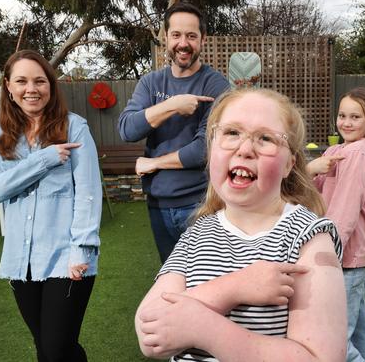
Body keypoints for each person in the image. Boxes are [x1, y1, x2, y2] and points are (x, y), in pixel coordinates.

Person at [134, 88, 347, 361]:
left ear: (288, 165)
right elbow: (149, 333)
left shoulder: (308, 237)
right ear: (211, 152)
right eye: (232, 133)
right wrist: (235, 287)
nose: (245, 149)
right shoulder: (195, 235)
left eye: (266, 138)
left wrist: (205, 328)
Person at [0, 50, 101, 362]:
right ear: (9, 86)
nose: (31, 89)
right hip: (21, 261)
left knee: (55, 347)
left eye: (39, 80)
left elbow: (88, 193)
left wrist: (82, 249)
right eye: (21, 81)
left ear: (51, 85)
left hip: (67, 257)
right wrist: (44, 159)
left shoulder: (74, 128)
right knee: (48, 350)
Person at [117, 2, 230, 263]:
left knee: (205, 284)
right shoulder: (151, 82)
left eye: (191, 36)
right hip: (158, 204)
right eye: (177, 35)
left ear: (202, 39)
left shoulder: (216, 85)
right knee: (172, 282)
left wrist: (154, 163)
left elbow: (204, 150)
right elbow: (127, 129)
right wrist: (171, 105)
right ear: (166, 38)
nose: (183, 43)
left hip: (200, 204)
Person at [306, 87, 365, 362]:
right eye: (342, 116)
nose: (346, 123)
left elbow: (345, 213)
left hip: (346, 261)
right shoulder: (338, 150)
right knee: (357, 330)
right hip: (353, 261)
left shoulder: (359, 155)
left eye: (355, 117)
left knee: (337, 340)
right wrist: (310, 169)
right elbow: (310, 192)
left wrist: (326, 256)